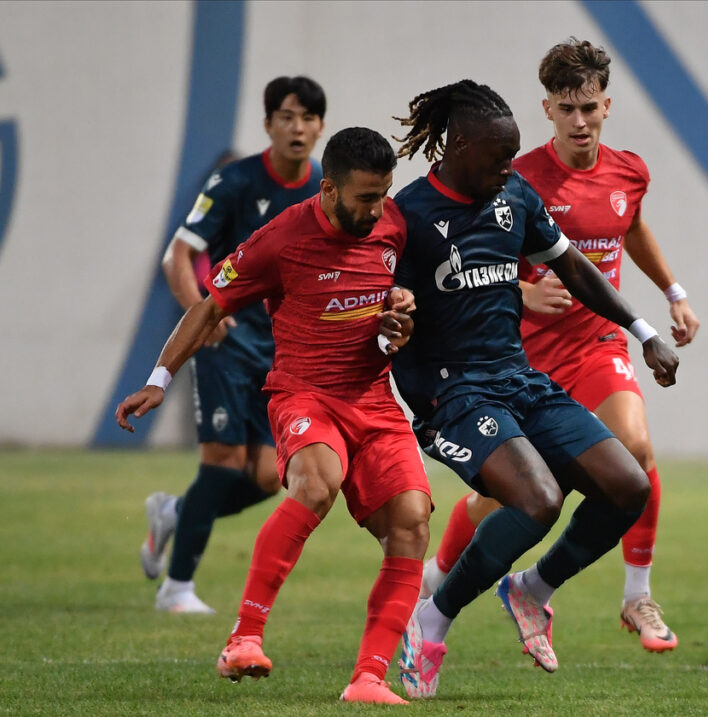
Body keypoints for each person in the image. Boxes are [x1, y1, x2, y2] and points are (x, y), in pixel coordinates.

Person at [116, 127, 431, 705]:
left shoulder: (392, 225)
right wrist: (158, 380)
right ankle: (243, 638)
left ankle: (369, 679)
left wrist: (397, 315)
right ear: (330, 190)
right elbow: (211, 304)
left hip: (375, 400)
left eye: (384, 195)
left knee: (411, 524)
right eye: (365, 198)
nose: (378, 209)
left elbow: (389, 297)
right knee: (317, 483)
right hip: (305, 394)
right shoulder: (281, 238)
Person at [386, 79, 679, 699]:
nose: (507, 168)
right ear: (459, 145)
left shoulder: (512, 193)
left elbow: (574, 267)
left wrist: (644, 329)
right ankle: (429, 621)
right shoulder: (407, 216)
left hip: (518, 378)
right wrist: (392, 324)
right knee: (538, 501)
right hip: (452, 395)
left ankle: (532, 589)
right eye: (497, 156)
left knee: (628, 484)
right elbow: (380, 309)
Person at [139, 76, 326, 614]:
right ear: (268, 124)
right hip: (226, 339)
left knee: (270, 477)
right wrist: (201, 312)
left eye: (308, 118)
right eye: (287, 117)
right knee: (222, 461)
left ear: (320, 127)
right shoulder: (233, 181)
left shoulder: (323, 187)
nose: (297, 127)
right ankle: (176, 589)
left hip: (282, 351)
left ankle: (175, 512)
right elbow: (178, 254)